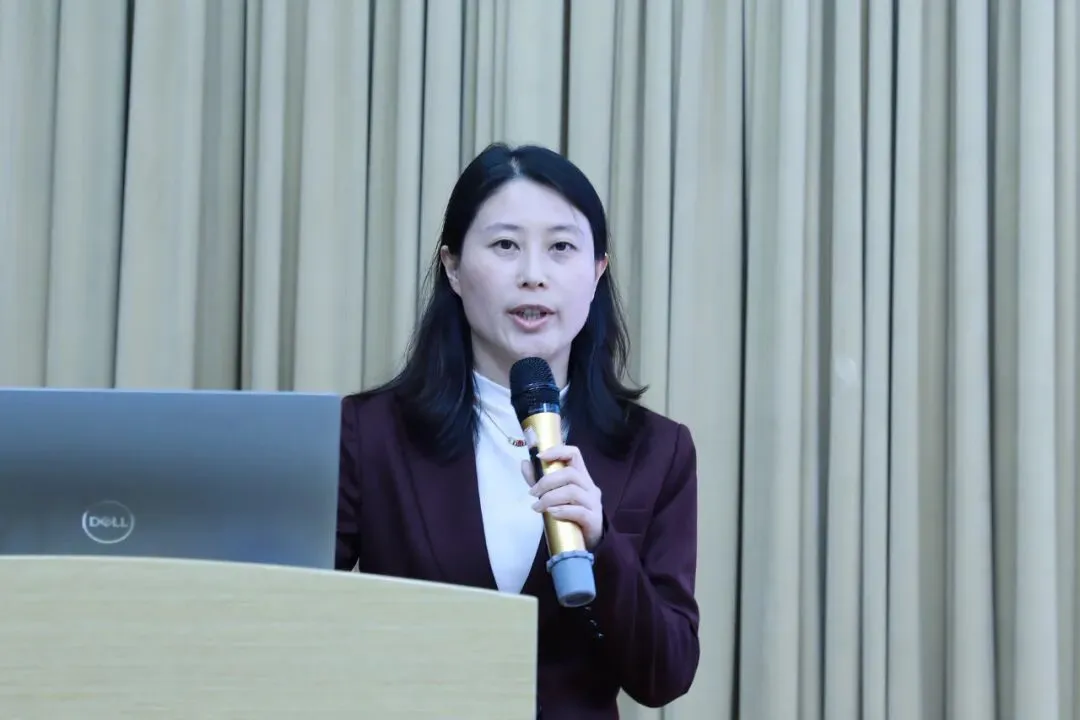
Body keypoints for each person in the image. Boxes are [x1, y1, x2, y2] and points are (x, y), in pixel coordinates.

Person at [335, 143, 699, 718]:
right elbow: (296, 619)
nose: (533, 276)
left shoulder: (657, 450)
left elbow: (667, 674)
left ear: (597, 270)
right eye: (506, 245)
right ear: (453, 267)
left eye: (561, 247)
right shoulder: (369, 434)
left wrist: (602, 543)